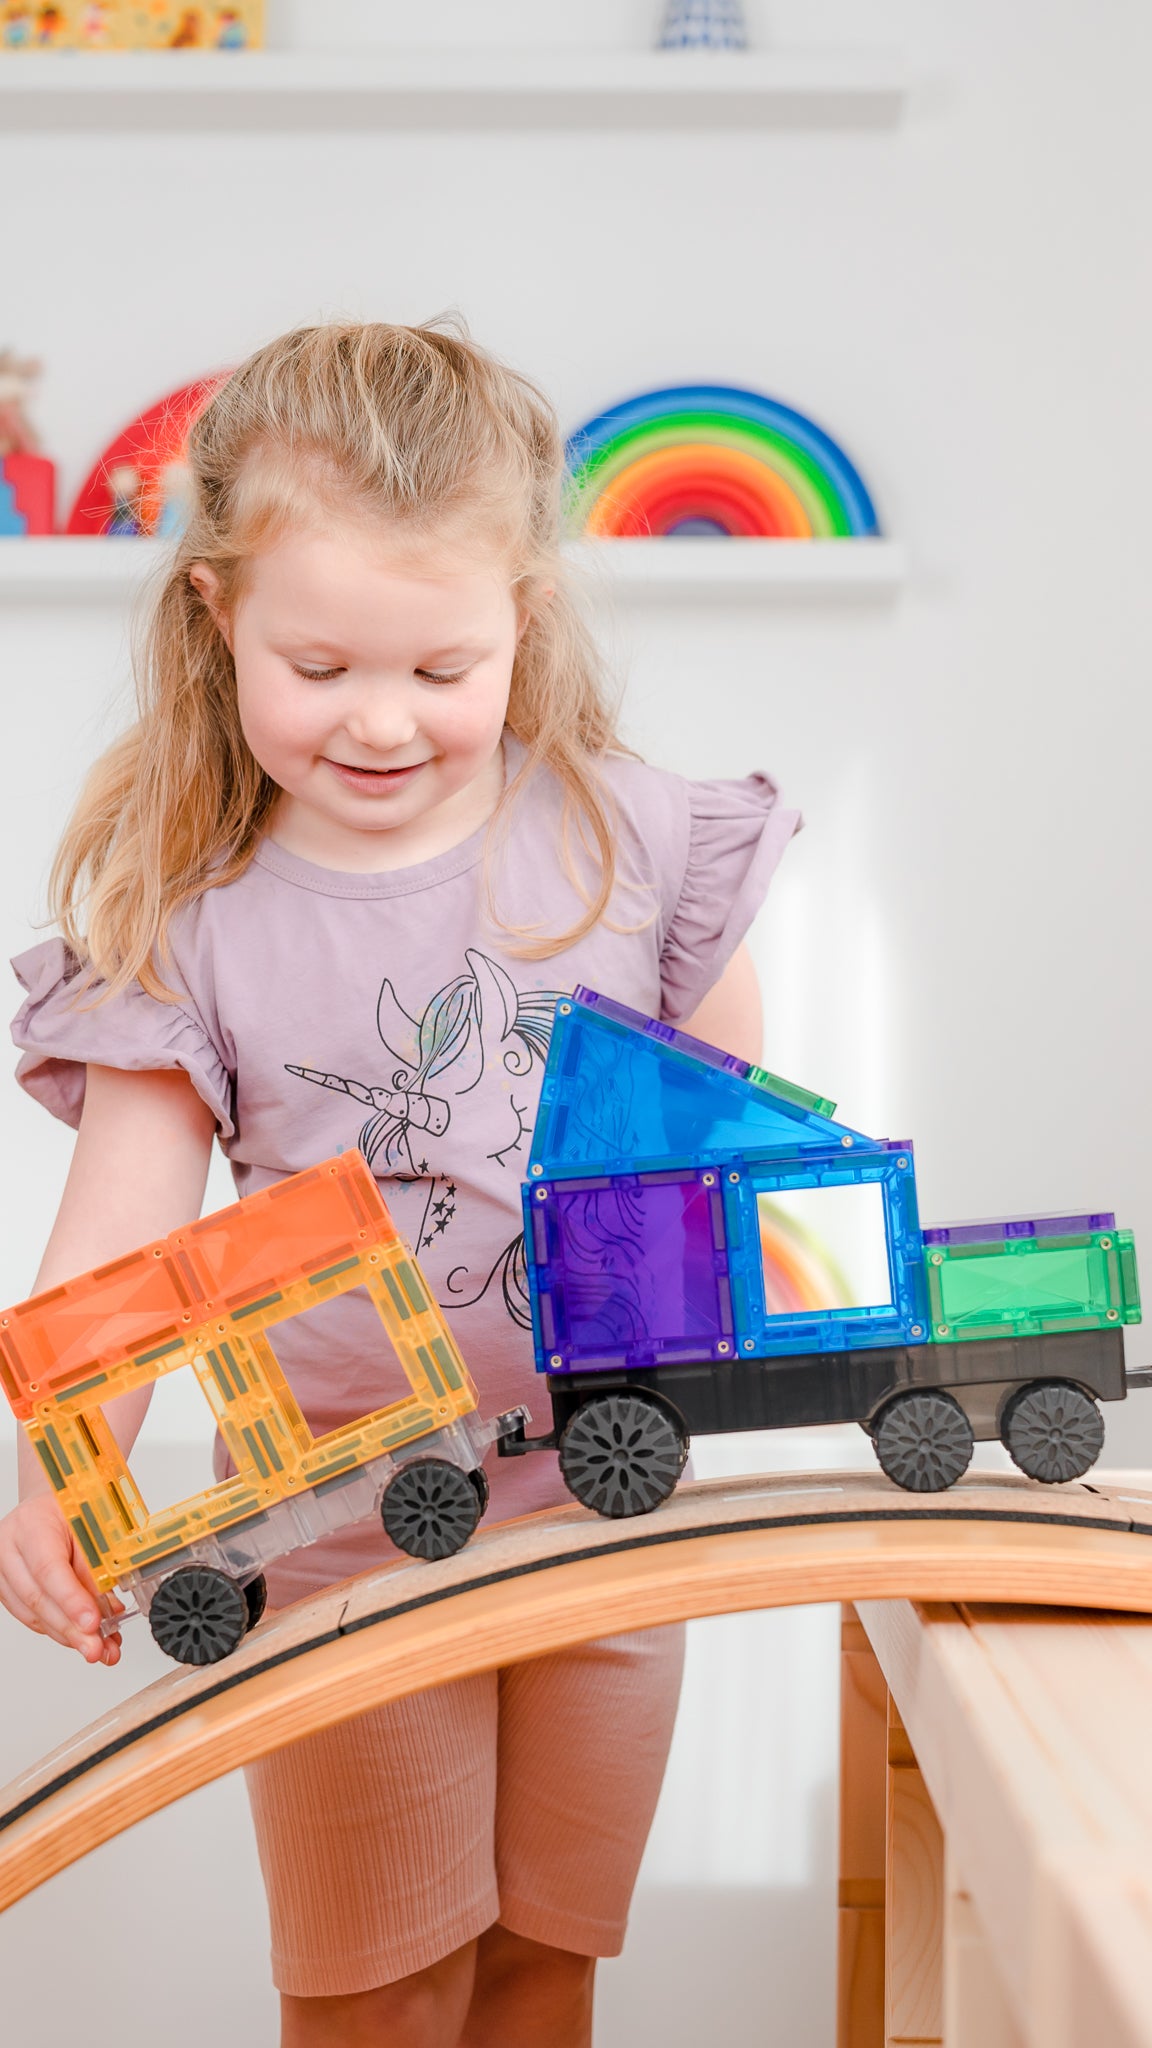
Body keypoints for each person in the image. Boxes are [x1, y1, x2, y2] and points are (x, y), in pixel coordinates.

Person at [0, 321, 799, 2048]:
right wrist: (69, 1466)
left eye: (443, 668)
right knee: (380, 1990)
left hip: (603, 1512)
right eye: (320, 664)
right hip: (343, 1536)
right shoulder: (187, 922)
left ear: (525, 618)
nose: (381, 719)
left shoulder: (632, 839)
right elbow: (117, 1241)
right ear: (218, 616)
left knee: (543, 1971)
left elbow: (732, 1138)